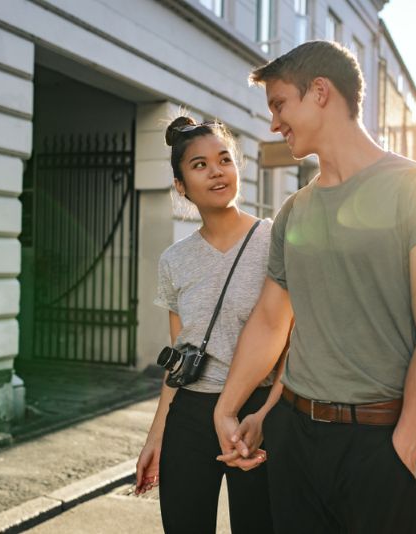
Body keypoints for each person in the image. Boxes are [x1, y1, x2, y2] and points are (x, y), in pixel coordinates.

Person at [212, 41, 416, 534]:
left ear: (321, 92)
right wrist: (228, 409)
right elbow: (270, 319)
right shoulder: (293, 211)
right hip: (294, 438)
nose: (274, 123)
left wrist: (404, 449)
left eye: (279, 104)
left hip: (380, 444)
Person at [134, 116, 278, 534]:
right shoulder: (174, 260)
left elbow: (291, 342)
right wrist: (156, 436)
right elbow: (179, 357)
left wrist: (268, 413)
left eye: (224, 159)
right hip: (191, 416)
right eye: (199, 165)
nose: (216, 171)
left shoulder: (274, 241)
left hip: (256, 413)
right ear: (181, 186)